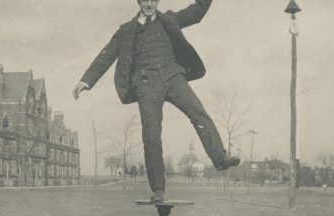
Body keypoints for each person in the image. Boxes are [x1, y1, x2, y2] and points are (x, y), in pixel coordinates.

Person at [73, 0, 240, 202]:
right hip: (145, 83)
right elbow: (106, 55)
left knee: (198, 112)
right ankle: (158, 189)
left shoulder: (169, 19)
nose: (149, 4)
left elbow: (197, 11)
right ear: (139, 2)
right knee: (151, 135)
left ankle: (220, 157)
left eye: (153, 0)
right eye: (145, 0)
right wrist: (86, 81)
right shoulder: (126, 30)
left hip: (173, 75)